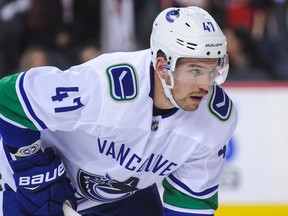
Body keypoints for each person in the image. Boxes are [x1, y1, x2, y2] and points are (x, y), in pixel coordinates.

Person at [0, 6, 237, 216]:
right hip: (41, 190)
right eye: (195, 71)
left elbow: (191, 203)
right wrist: (32, 167)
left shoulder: (214, 121)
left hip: (124, 195)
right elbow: (9, 97)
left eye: (213, 70)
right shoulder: (104, 86)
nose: (206, 85)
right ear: (163, 68)